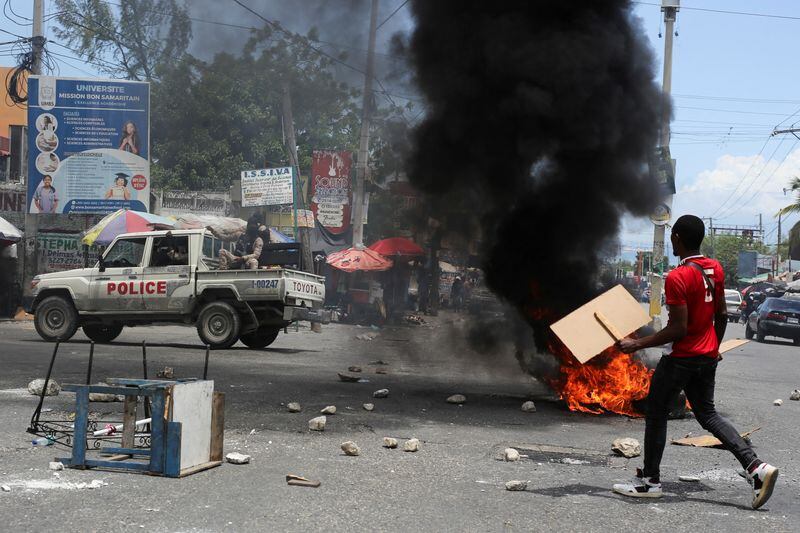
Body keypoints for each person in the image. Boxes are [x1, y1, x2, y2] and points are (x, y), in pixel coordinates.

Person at [612, 215, 778, 509]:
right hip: (707, 357)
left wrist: (635, 343)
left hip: (681, 359)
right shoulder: (715, 268)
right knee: (707, 415)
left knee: (656, 412)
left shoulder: (678, 277)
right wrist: (714, 347)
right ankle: (756, 468)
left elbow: (678, 328)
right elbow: (722, 315)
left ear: (676, 238)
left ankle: (649, 482)